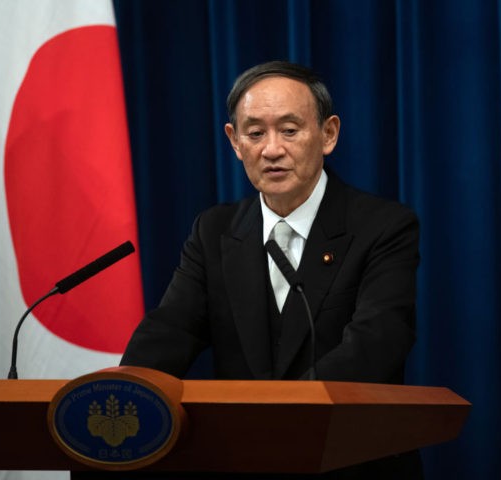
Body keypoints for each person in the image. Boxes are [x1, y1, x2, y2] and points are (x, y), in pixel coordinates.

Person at [121, 61, 423, 479]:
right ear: (235, 142)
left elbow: (377, 341)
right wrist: (124, 393)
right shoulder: (215, 231)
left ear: (328, 134)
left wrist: (277, 419)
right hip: (243, 462)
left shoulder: (383, 226)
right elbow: (171, 330)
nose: (272, 149)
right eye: (255, 133)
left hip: (348, 461)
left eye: (290, 130)